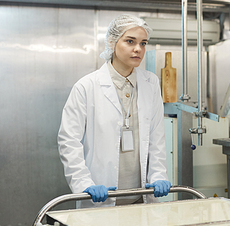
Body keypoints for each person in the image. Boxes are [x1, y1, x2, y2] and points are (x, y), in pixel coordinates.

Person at [58, 14, 171, 208]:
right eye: (130, 41)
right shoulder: (86, 87)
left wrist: (159, 175)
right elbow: (69, 141)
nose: (138, 49)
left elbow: (156, 138)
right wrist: (84, 183)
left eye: (143, 43)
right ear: (112, 42)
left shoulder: (151, 83)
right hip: (100, 197)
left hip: (141, 195)